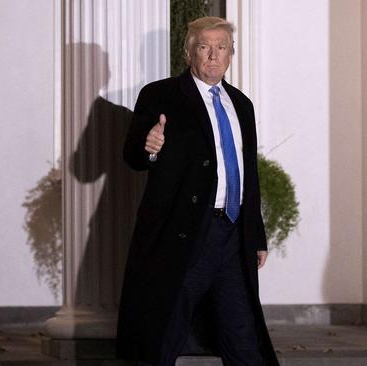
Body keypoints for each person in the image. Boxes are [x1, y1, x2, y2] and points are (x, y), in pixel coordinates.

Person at [116, 17, 279, 366]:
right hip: (187, 234)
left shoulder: (241, 104)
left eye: (222, 47)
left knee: (243, 333)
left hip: (233, 236)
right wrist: (151, 146)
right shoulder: (161, 95)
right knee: (165, 330)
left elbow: (248, 174)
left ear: (231, 54)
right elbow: (133, 156)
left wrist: (257, 234)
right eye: (204, 47)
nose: (213, 56)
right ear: (190, 52)